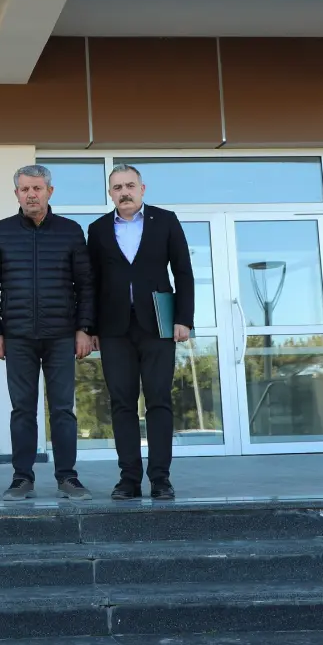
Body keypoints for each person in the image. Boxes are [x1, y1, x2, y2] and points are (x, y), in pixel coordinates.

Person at [0, 164, 95, 502]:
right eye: (25, 189)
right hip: (17, 337)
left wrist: (83, 329)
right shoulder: (1, 232)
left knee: (63, 410)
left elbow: (86, 285)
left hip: (61, 336)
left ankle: (67, 477)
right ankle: (22, 478)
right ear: (16, 193)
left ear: (50, 191)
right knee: (22, 410)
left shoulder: (70, 231)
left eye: (37, 188)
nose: (31, 194)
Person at [87, 164, 194, 501]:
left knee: (159, 400)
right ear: (110, 193)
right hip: (113, 329)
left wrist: (184, 319)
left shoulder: (166, 221)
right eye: (118, 187)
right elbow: (91, 282)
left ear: (142, 189)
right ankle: (128, 480)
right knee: (122, 404)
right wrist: (90, 328)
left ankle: (160, 479)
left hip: (158, 325)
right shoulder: (98, 229)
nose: (125, 192)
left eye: (130, 185)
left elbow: (183, 272)